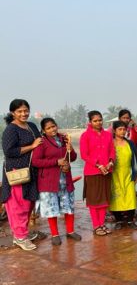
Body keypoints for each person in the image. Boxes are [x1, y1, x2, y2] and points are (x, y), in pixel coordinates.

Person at [32, 118, 81, 246]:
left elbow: (73, 158)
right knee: (51, 208)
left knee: (68, 207)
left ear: (56, 126)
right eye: (48, 128)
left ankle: (70, 231)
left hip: (65, 180)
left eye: (53, 126)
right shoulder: (42, 143)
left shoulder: (65, 139)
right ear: (43, 130)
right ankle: (55, 234)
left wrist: (70, 149)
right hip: (48, 182)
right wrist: (55, 162)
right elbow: (36, 162)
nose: (52, 129)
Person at [2, 99, 42, 250]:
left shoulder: (31, 126)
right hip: (16, 172)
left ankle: (21, 234)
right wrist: (31, 146)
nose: (23, 113)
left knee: (29, 202)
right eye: (19, 111)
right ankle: (20, 237)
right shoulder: (11, 130)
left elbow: (40, 140)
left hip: (31, 170)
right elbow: (9, 152)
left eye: (26, 110)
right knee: (17, 205)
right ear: (13, 113)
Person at [80, 110, 116, 236]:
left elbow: (112, 151)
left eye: (100, 120)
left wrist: (111, 162)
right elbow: (84, 155)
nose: (98, 122)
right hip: (92, 172)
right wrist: (98, 164)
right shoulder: (85, 136)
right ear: (90, 122)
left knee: (104, 200)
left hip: (107, 171)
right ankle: (96, 226)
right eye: (95, 120)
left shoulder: (107, 135)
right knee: (94, 200)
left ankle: (102, 224)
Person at [109, 121, 137, 230]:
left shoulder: (130, 143)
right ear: (114, 130)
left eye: (124, 129)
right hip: (114, 174)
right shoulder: (110, 143)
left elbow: (135, 159)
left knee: (130, 197)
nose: (122, 131)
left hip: (128, 173)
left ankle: (130, 220)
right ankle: (119, 221)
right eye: (120, 129)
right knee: (116, 198)